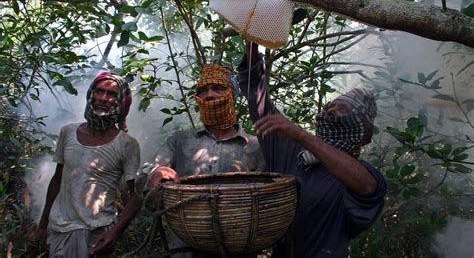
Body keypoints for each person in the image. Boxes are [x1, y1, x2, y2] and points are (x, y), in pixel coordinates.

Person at [237, 42, 387, 257]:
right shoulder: (293, 154)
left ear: (361, 126)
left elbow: (366, 186)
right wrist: (252, 40)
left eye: (343, 109)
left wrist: (300, 134)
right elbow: (256, 91)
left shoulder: (363, 176)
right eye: (330, 107)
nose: (332, 112)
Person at [141, 63, 264, 257]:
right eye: (203, 90)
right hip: (185, 249)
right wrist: (155, 174)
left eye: (218, 88)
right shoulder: (181, 140)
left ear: (232, 95)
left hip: (239, 249)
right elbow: (148, 172)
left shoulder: (255, 147)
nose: (209, 95)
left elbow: (267, 197)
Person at [37, 72, 141, 257]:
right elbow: (57, 179)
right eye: (99, 91)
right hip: (60, 230)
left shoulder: (127, 144)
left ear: (120, 101)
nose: (103, 98)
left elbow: (135, 197)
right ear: (91, 94)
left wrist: (114, 233)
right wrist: (43, 224)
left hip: (98, 233)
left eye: (111, 94)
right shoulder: (68, 132)